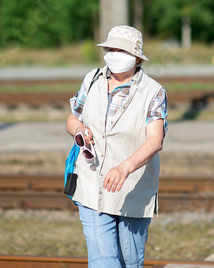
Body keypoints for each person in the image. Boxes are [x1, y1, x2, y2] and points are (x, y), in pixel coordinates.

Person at [65, 25, 168, 268]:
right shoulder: (92, 80)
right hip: (92, 186)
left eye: (120, 49)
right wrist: (79, 130)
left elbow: (156, 139)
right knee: (104, 262)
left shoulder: (153, 91)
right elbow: (73, 118)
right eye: (109, 48)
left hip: (132, 188)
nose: (113, 54)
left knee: (130, 262)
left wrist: (124, 168)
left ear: (136, 56)